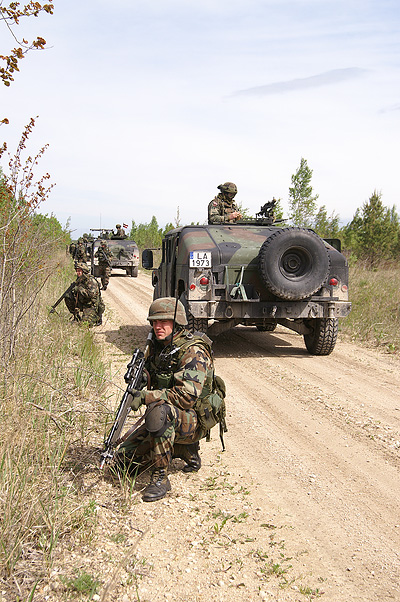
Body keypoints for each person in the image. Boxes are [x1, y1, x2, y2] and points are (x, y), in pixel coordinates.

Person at [116, 297, 221, 502]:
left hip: (194, 419)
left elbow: (187, 396)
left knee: (158, 412)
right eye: (154, 322)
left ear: (177, 322)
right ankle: (183, 449)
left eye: (163, 322)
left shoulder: (193, 351)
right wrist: (143, 377)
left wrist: (146, 397)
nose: (158, 327)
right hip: (170, 415)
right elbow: (154, 373)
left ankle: (161, 477)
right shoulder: (159, 346)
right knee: (123, 464)